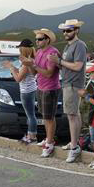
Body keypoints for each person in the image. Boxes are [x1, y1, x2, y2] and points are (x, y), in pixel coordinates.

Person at [49, 19, 87, 163]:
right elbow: (67, 65)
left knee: (72, 115)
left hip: (73, 84)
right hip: (67, 83)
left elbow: (77, 66)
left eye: (69, 30)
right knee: (74, 114)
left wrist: (58, 61)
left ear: (76, 30)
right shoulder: (68, 47)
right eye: (64, 30)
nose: (65, 33)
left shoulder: (79, 45)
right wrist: (57, 62)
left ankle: (74, 147)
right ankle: (74, 143)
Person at [21, 29, 60, 158]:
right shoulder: (38, 53)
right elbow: (33, 73)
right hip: (41, 87)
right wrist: (29, 64)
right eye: (36, 39)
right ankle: (49, 139)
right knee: (45, 116)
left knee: (49, 117)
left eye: (40, 39)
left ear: (47, 39)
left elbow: (49, 73)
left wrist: (33, 65)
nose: (37, 41)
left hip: (50, 88)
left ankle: (49, 143)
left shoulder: (52, 53)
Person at [3, 39, 38, 144]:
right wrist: (13, 67)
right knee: (31, 114)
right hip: (30, 89)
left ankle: (32, 136)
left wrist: (11, 68)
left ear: (23, 49)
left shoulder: (26, 63)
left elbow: (18, 78)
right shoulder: (31, 60)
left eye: (20, 48)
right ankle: (30, 135)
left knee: (30, 115)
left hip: (26, 91)